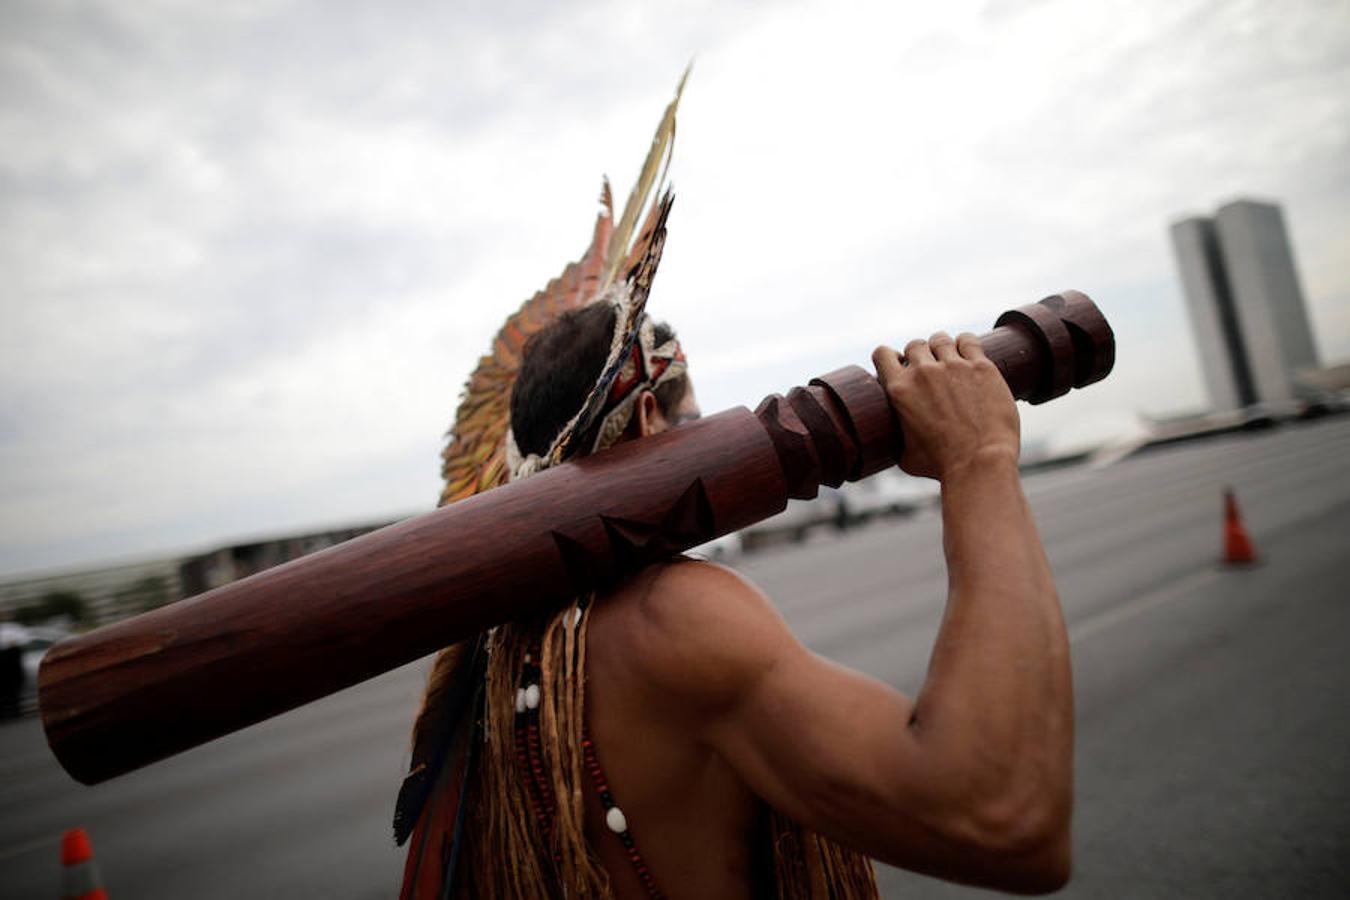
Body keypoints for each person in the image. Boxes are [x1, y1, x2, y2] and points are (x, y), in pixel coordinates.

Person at [396, 296, 1074, 898]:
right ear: (650, 418)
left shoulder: (514, 645)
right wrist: (978, 457)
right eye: (694, 416)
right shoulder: (670, 619)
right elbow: (1001, 814)